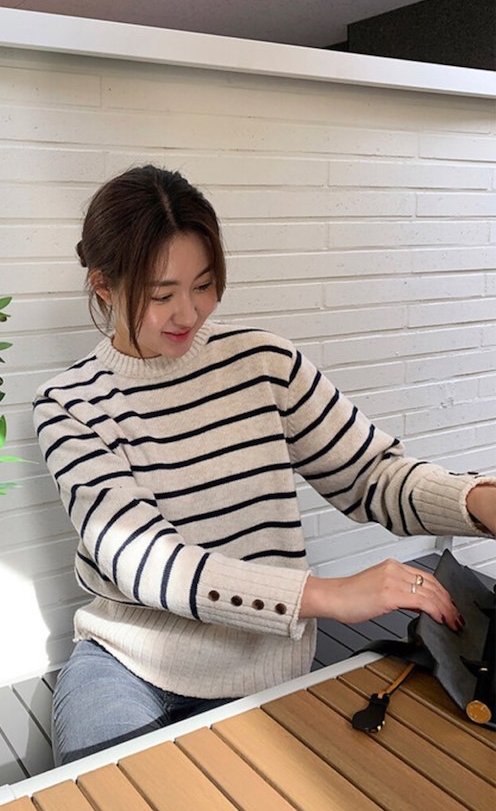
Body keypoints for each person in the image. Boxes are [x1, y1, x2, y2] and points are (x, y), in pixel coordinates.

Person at [33, 165, 496, 766]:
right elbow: (146, 562)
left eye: (204, 285)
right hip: (126, 665)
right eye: (160, 295)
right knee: (100, 807)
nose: (187, 313)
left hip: (263, 669)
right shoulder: (69, 405)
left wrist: (476, 500)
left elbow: (372, 476)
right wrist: (328, 595)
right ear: (103, 286)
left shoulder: (265, 364)